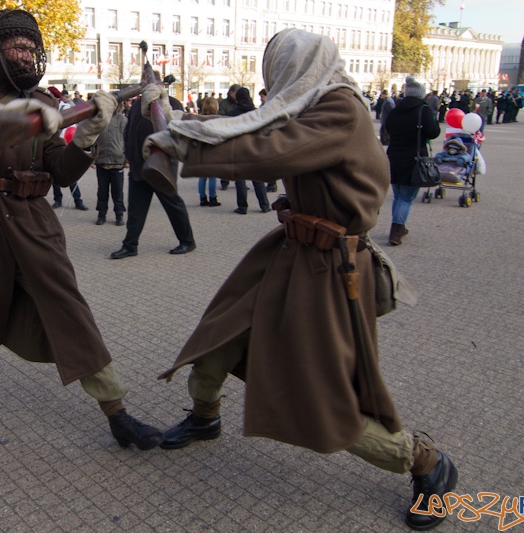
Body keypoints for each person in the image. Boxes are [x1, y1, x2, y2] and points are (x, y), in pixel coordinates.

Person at [142, 29, 458, 531]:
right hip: (290, 253)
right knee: (218, 335)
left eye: (277, 70)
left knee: (317, 396)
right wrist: (179, 121)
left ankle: (425, 462)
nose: (274, 84)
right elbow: (247, 125)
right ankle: (205, 416)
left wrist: (182, 144)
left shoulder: (340, 110)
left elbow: (266, 151)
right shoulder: (312, 102)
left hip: (328, 271)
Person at [0, 9, 163, 451]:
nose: (25, 54)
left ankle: (117, 412)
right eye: (15, 45)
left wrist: (86, 137)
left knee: (68, 308)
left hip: (30, 222)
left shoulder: (44, 101)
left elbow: (59, 174)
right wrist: (1, 118)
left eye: (30, 46)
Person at [108, 88, 196, 259]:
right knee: (135, 209)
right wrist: (129, 154)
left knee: (173, 204)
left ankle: (187, 241)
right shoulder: (136, 105)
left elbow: (180, 132)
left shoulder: (171, 103)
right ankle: (130, 245)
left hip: (162, 167)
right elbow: (129, 131)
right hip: (138, 166)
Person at [384, 76, 440, 246]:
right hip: (414, 157)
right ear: (421, 95)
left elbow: (388, 128)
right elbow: (433, 132)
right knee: (407, 198)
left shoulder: (395, 110)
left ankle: (399, 226)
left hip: (394, 155)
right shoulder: (423, 110)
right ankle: (397, 230)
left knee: (398, 195)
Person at [229, 88, 270, 215]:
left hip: (238, 148)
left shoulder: (232, 114)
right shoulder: (257, 113)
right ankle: (264, 205)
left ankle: (242, 206)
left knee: (240, 180)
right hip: (254, 147)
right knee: (257, 178)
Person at [93, 102, 127, 226]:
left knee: (117, 192)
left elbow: (128, 139)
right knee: (102, 191)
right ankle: (101, 215)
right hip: (101, 161)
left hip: (117, 161)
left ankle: (119, 215)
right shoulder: (99, 119)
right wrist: (91, 159)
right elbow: (92, 139)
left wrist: (127, 160)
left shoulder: (122, 119)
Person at [197, 98, 221, 206]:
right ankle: (213, 198)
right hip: (213, 149)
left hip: (201, 149)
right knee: (212, 176)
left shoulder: (199, 118)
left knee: (202, 176)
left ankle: (202, 198)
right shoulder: (217, 119)